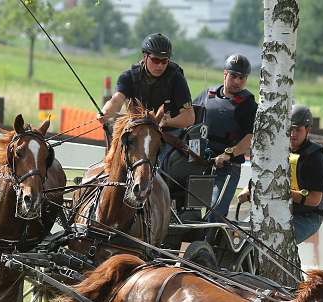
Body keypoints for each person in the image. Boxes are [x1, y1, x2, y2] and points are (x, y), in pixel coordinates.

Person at [238, 104, 323, 243]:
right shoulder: (277, 150)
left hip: (306, 217)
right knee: (241, 237)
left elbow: (315, 200)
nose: (293, 134)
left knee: (270, 242)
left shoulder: (316, 158)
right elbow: (262, 176)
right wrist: (248, 189)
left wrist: (281, 191)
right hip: (274, 211)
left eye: (298, 130)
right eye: (290, 129)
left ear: (308, 129)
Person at [96, 33, 194, 163]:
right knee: (116, 161)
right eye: (155, 60)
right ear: (144, 57)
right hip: (136, 130)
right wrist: (105, 113)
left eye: (164, 61)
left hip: (167, 133)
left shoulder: (177, 79)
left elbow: (189, 116)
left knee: (155, 164)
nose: (160, 65)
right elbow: (116, 101)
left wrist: (169, 122)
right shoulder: (128, 77)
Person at [193, 54, 257, 232]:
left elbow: (249, 139)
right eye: (233, 76)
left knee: (215, 211)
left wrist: (228, 154)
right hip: (199, 163)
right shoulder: (207, 94)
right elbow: (189, 119)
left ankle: (210, 250)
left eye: (241, 78)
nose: (237, 81)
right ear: (225, 74)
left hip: (227, 168)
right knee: (187, 209)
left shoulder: (249, 106)